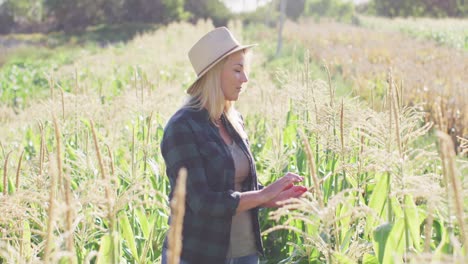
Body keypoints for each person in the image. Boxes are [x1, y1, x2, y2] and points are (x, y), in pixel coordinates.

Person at [160, 27, 307, 264]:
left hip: (244, 253)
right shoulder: (181, 128)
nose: (245, 79)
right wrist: (262, 194)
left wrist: (273, 197)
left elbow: (234, 182)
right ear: (214, 73)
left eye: (245, 70)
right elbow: (201, 201)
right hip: (198, 255)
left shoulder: (233, 120)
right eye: (237, 70)